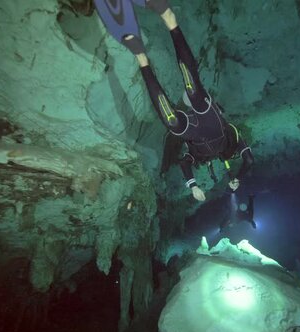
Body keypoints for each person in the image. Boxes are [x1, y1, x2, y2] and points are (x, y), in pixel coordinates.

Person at [93, 0, 254, 201]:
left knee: (171, 122)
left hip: (194, 132)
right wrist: (238, 178)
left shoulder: (200, 158)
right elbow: (249, 160)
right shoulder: (234, 141)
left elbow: (184, 163)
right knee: (192, 86)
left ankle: (141, 59)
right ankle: (170, 20)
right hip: (213, 123)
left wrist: (193, 186)